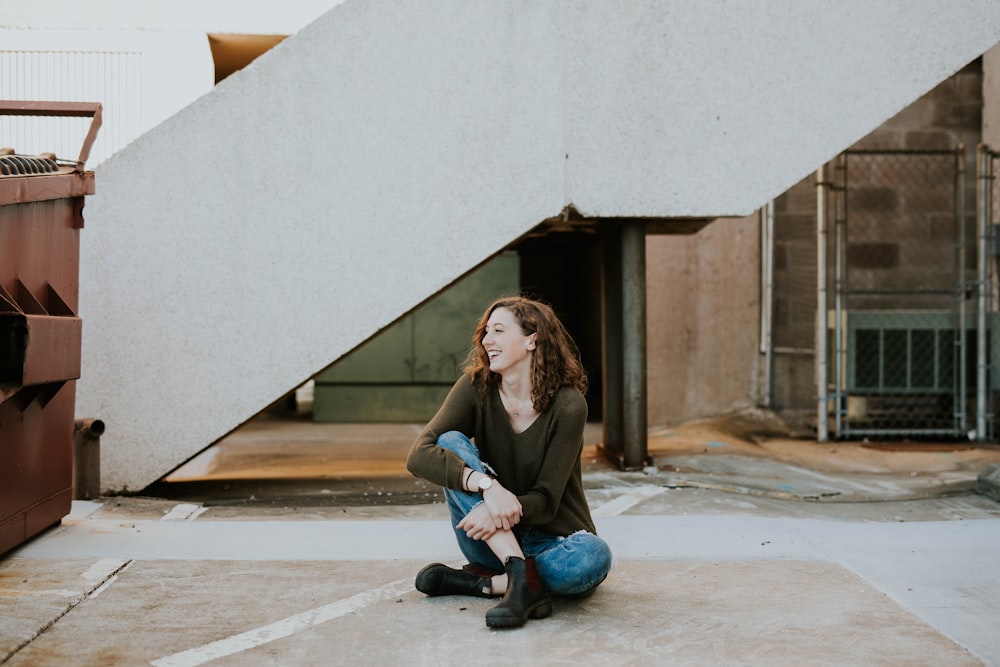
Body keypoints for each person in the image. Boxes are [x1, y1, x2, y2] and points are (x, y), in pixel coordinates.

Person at [405, 296, 613, 629]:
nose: (487, 340)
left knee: (594, 556)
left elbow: (545, 502)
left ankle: (491, 583)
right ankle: (517, 570)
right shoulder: (476, 388)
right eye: (486, 332)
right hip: (491, 543)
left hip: (553, 542)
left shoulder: (568, 404)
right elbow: (419, 454)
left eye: (499, 331)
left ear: (532, 339)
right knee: (449, 443)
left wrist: (495, 509)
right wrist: (487, 487)